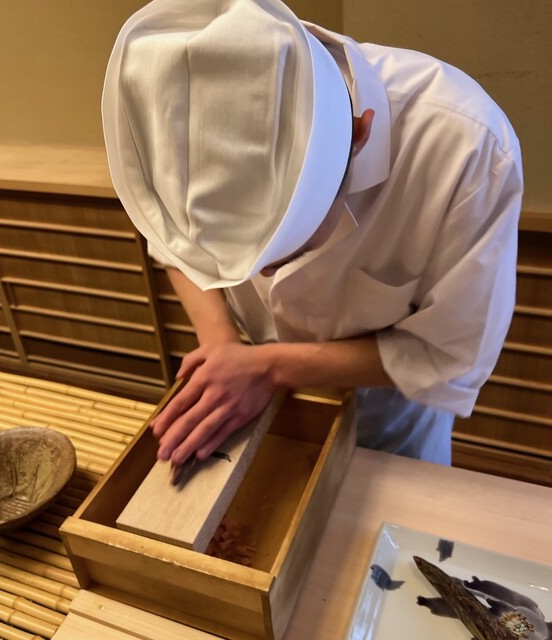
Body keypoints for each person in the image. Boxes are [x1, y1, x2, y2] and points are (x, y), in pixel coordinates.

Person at [102, 0, 523, 467]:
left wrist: (268, 367)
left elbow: (451, 350)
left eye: (285, 251)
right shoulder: (180, 118)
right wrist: (220, 339)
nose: (261, 275)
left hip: (387, 426)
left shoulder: (468, 149)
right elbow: (173, 247)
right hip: (259, 402)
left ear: (358, 136)